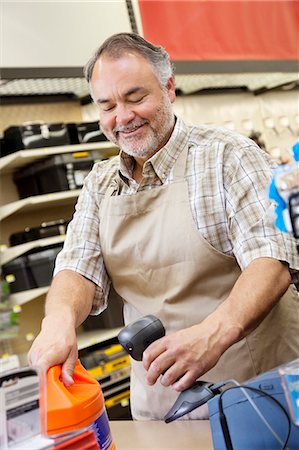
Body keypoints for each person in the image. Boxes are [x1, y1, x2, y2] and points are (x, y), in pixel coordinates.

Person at [28, 32, 299, 420]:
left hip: (258, 396)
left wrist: (214, 334)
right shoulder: (100, 183)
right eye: (107, 106)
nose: (122, 117)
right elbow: (77, 269)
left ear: (169, 88)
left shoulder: (228, 155)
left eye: (136, 98)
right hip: (161, 410)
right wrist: (57, 322)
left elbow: (272, 260)